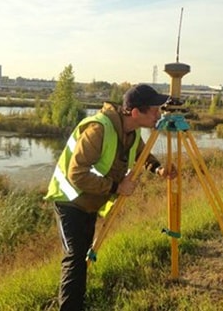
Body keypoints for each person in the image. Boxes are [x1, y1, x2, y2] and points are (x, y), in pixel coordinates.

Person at [44, 84, 177, 310]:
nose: (159, 114)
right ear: (136, 113)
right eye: (154, 110)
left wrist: (158, 170)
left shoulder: (132, 133)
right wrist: (116, 186)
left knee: (81, 259)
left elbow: (142, 155)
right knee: (74, 260)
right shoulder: (99, 129)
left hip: (91, 203)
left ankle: (77, 302)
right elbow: (76, 173)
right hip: (70, 201)